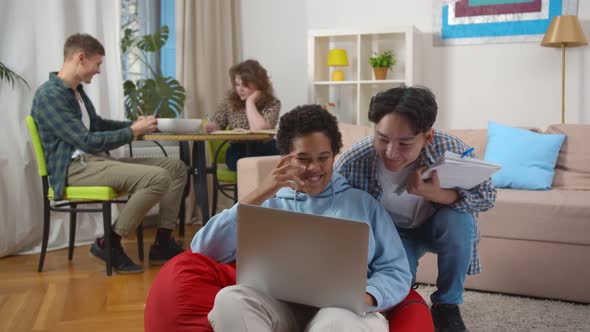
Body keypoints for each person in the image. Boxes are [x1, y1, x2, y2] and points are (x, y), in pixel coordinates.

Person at [144, 105, 433, 332]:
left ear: (334, 156)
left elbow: (396, 271)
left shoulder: (362, 204)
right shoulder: (269, 202)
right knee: (228, 301)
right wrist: (262, 191)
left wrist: (367, 297)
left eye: (324, 157)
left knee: (334, 321)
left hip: (346, 314)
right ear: (285, 157)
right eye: (303, 158)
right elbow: (204, 250)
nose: (314, 168)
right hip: (282, 308)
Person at [335, 86, 497, 332]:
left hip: (438, 225)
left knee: (460, 222)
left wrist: (438, 195)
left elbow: (487, 197)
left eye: (405, 143)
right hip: (392, 235)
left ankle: (447, 305)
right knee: (396, 289)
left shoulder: (449, 148)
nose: (391, 152)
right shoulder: (354, 161)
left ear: (427, 137)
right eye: (383, 138)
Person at [30, 33, 186, 274]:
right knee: (158, 178)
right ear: (81, 58)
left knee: (175, 168)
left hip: (94, 162)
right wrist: (133, 132)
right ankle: (109, 242)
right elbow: (86, 141)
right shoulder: (50, 95)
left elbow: (97, 125)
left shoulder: (76, 91)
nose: (99, 71)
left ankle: (162, 242)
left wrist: (134, 124)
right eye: (98, 64)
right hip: (73, 170)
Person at [205, 59, 280, 171]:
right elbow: (217, 123)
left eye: (245, 85)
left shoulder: (272, 103)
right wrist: (213, 126)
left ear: (259, 83)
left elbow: (260, 130)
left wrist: (250, 103)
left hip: (266, 149)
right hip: (238, 151)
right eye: (237, 84)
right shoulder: (229, 101)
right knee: (249, 166)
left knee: (268, 165)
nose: (240, 89)